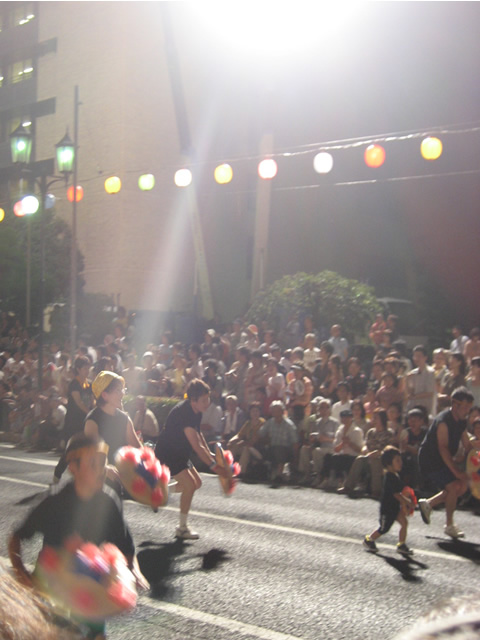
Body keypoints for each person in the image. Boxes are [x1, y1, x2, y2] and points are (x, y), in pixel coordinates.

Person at [9, 433, 148, 639]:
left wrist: (133, 572)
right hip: (52, 584)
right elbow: (16, 538)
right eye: (93, 463)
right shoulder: (54, 501)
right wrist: (21, 573)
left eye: (103, 462)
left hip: (89, 584)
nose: (100, 470)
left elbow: (126, 547)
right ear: (73, 467)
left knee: (96, 635)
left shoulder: (108, 502)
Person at [154, 379, 228, 540]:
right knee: (189, 485)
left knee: (197, 483)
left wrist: (211, 455)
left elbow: (199, 435)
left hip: (180, 452)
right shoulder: (185, 414)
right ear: (193, 400)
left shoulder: (196, 411)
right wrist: (215, 467)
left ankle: (159, 493)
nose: (207, 403)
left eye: (208, 399)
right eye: (204, 400)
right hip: (168, 453)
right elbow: (196, 447)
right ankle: (182, 528)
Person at [418, 387, 474, 539]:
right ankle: (449, 525)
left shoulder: (461, 421)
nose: (467, 411)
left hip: (444, 458)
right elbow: (442, 448)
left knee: (461, 487)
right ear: (455, 404)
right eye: (465, 407)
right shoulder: (443, 421)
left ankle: (428, 504)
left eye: (469, 408)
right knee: (454, 486)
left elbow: (468, 445)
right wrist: (457, 472)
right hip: (431, 459)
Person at [363, 446, 414, 555]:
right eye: (397, 460)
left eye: (400, 460)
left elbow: (401, 491)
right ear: (389, 463)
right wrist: (407, 502)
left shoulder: (395, 475)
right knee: (384, 528)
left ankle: (401, 545)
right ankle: (369, 539)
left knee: (404, 523)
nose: (401, 463)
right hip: (387, 509)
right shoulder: (389, 477)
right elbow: (396, 495)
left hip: (395, 507)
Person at [84, 371, 142, 465]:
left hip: (122, 472)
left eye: (122, 390)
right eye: (117, 391)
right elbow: (94, 454)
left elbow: (139, 450)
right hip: (101, 472)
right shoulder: (92, 420)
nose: (122, 394)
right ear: (104, 395)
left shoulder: (124, 419)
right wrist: (106, 469)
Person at [53, 356, 94, 483]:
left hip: (85, 422)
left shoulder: (89, 384)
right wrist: (90, 413)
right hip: (73, 421)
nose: (87, 370)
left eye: (88, 368)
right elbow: (79, 402)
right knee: (71, 449)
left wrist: (94, 411)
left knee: (86, 448)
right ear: (78, 369)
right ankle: (58, 472)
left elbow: (92, 401)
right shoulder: (74, 384)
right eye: (85, 368)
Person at [259, 400, 298, 486]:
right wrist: (266, 439)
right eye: (273, 411)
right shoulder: (270, 422)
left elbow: (295, 442)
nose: (275, 413)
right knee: (266, 448)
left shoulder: (289, 425)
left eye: (278, 411)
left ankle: (279, 474)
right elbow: (261, 433)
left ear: (282, 411)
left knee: (279, 449)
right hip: (272, 447)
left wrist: (295, 458)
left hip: (286, 450)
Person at [227, 402, 265, 477]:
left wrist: (242, 442)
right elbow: (239, 435)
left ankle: (241, 471)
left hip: (258, 449)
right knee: (233, 446)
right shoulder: (248, 423)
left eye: (257, 411)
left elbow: (254, 440)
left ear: (260, 412)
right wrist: (231, 441)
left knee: (246, 448)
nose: (255, 413)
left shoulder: (262, 423)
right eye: (253, 411)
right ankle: (227, 469)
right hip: (248, 446)